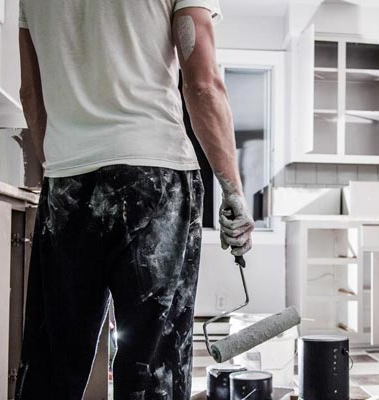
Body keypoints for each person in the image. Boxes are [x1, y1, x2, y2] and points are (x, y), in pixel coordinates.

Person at [15, 0, 254, 398]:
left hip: (67, 182)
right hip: (154, 176)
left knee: (54, 362)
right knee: (152, 367)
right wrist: (232, 188)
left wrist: (63, 165)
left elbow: (30, 95)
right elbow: (202, 83)